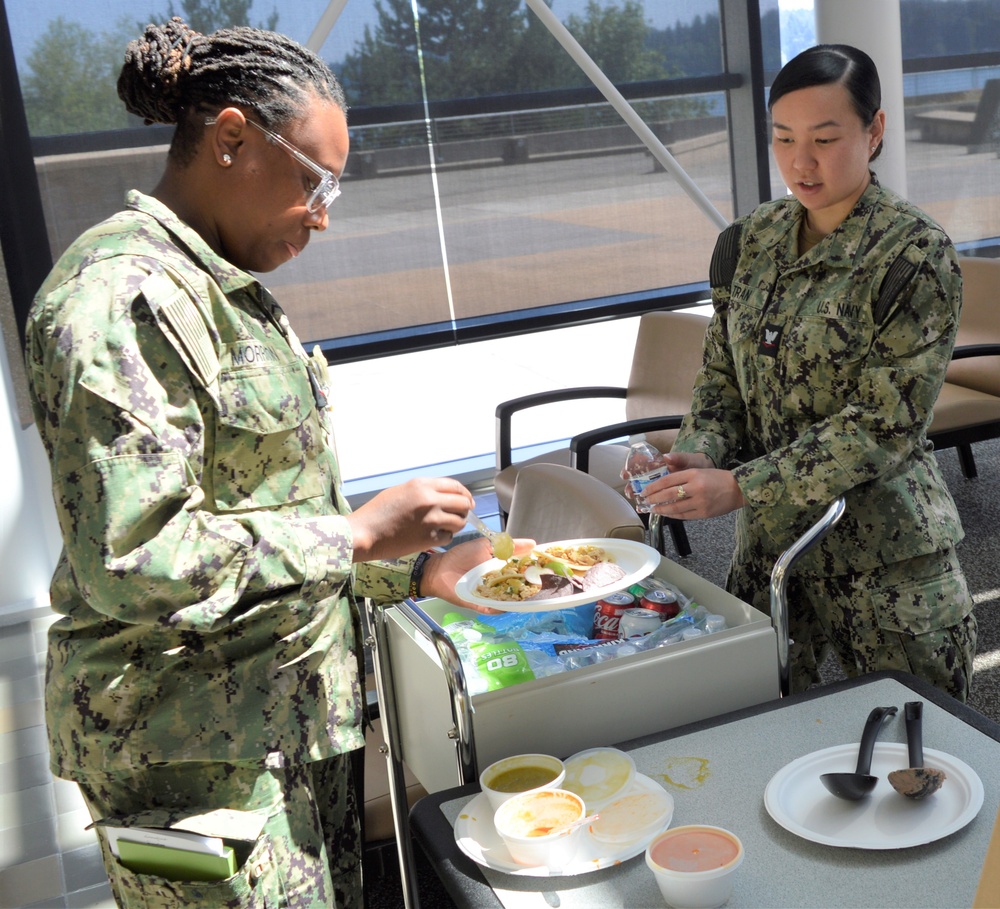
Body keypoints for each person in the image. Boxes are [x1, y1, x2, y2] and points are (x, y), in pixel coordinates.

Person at [23, 18, 522, 909]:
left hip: (281, 732)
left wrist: (415, 567)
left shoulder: (225, 293)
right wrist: (359, 532)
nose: (322, 214)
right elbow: (136, 558)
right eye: (313, 180)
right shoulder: (118, 296)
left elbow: (262, 510)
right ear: (230, 138)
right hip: (186, 767)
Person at [631, 44, 977, 701]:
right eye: (784, 138)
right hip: (773, 554)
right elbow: (721, 379)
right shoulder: (747, 242)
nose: (801, 162)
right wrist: (695, 451)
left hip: (886, 561)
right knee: (746, 740)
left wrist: (737, 485)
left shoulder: (914, 256)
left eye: (824, 138)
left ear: (874, 131)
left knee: (919, 756)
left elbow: (881, 427)